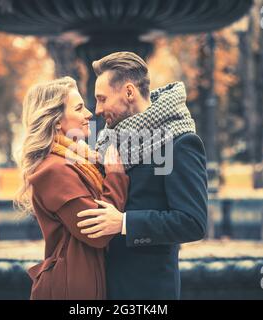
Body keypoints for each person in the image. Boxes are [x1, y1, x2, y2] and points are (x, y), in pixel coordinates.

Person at [76, 52, 208, 299]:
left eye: (102, 99)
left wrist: (124, 223)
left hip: (147, 291)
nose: (98, 109)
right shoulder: (108, 142)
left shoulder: (179, 142)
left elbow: (193, 222)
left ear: (128, 92)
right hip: (105, 286)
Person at [15, 76, 129, 300]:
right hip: (71, 290)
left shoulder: (78, 160)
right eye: (78, 108)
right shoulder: (53, 170)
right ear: (57, 121)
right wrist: (116, 176)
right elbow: (96, 231)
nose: (88, 113)